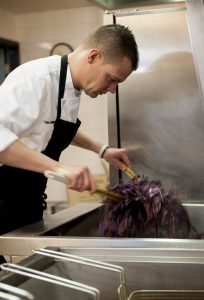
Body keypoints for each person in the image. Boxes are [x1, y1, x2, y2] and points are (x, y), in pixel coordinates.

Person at [0, 24, 139, 236]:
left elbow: (53, 126)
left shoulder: (70, 85)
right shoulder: (35, 79)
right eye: (111, 79)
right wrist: (58, 167)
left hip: (25, 207)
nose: (112, 89)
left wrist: (102, 150)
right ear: (93, 56)